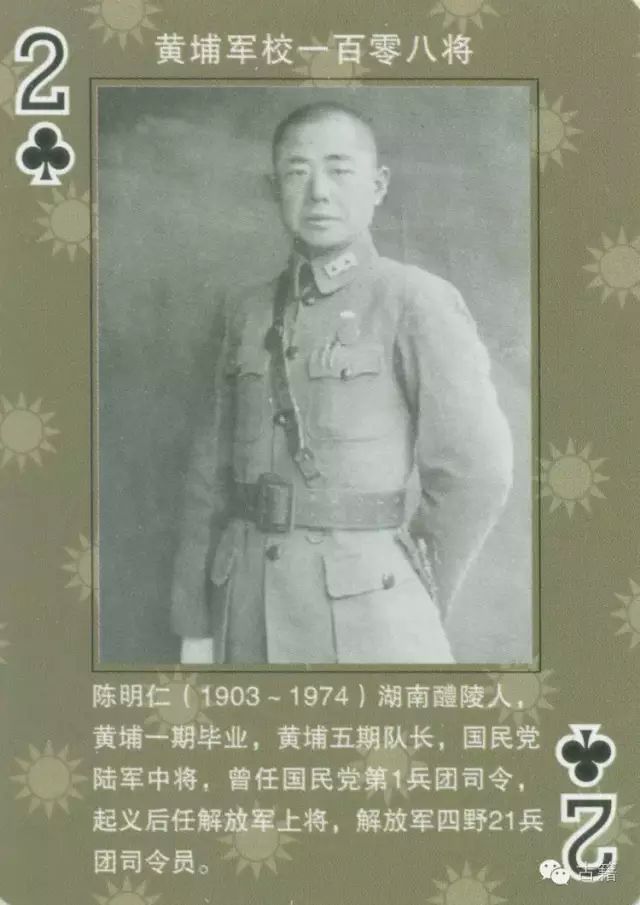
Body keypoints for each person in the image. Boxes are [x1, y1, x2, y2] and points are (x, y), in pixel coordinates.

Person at [171, 100, 513, 664]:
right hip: (244, 613)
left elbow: (476, 472)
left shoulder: (415, 301)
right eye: (297, 172)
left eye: (339, 170)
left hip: (368, 619)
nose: (318, 192)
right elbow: (210, 477)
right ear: (274, 187)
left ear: (377, 186)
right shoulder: (246, 312)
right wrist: (196, 624)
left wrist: (412, 586)